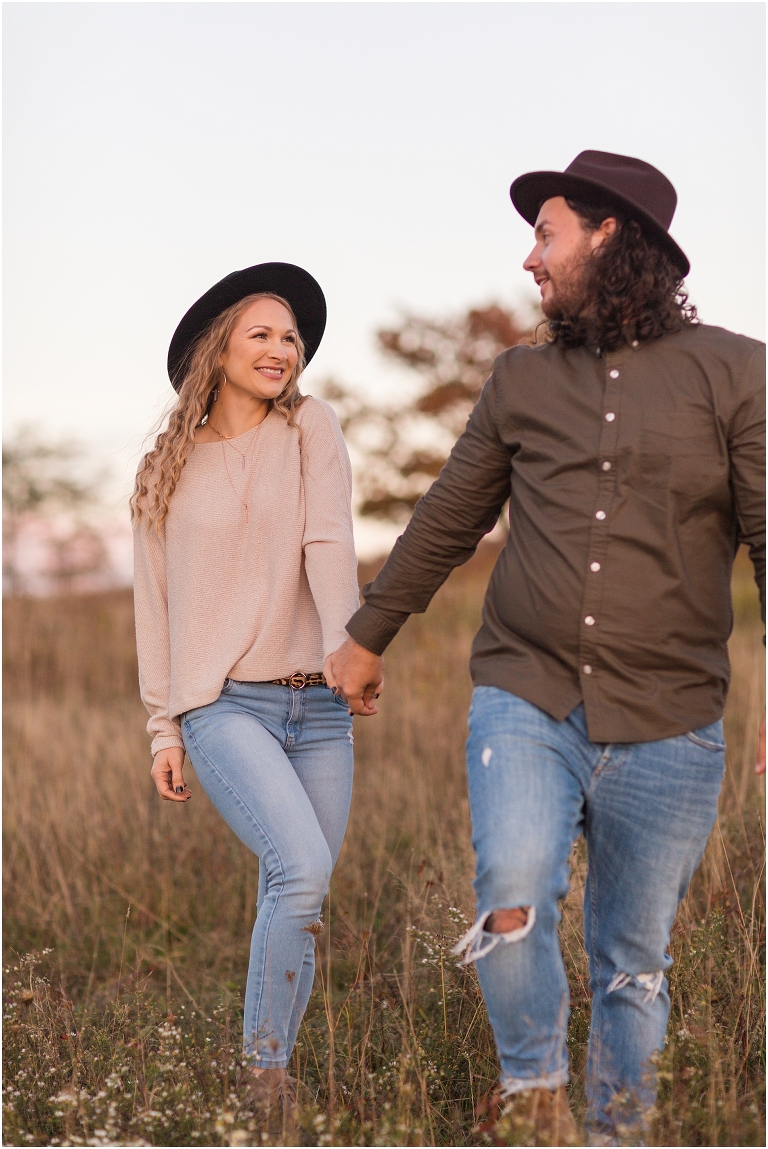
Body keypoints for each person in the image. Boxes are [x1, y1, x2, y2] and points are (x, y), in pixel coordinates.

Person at [325, 152, 765, 1144]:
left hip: (674, 717)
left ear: (609, 236)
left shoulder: (738, 372)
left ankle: (617, 1134)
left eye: (546, 234)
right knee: (515, 895)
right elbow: (448, 516)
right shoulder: (519, 379)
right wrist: (366, 634)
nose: (530, 260)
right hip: (528, 694)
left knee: (634, 961)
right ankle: (536, 1095)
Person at [132, 263, 360, 1118]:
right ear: (218, 347)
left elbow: (331, 544)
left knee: (302, 893)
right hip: (224, 706)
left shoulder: (311, 429)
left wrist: (353, 649)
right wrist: (164, 728)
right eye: (262, 332)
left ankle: (271, 1067)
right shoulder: (166, 469)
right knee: (298, 867)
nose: (282, 348)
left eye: (293, 336)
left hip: (321, 709)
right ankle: (264, 1082)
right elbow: (154, 608)